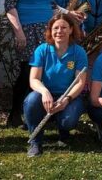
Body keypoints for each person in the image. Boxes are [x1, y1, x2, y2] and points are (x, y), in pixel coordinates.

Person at [5, 0, 56, 128]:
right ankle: (15, 114)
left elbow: (51, 5)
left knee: (44, 73)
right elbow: (9, 6)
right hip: (26, 29)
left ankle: (39, 115)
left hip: (46, 30)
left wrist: (69, 14)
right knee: (28, 72)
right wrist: (18, 32)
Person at [24, 14, 87, 157]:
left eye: (64, 27)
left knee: (68, 121)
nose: (60, 31)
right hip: (46, 95)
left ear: (71, 30)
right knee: (31, 101)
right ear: (50, 30)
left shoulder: (79, 52)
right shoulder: (42, 50)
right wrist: (45, 92)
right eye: (56, 28)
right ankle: (36, 141)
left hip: (68, 96)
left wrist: (67, 99)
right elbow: (34, 79)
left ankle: (63, 131)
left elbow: (80, 82)